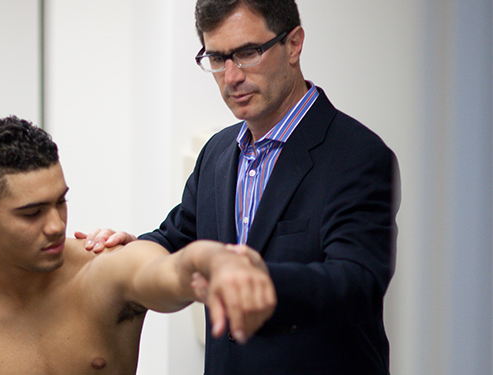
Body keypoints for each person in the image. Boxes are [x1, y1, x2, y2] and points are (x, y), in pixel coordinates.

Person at [79, 0, 400, 374]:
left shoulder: (357, 154)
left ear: (293, 44)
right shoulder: (217, 152)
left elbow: (356, 283)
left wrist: (253, 282)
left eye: (247, 53)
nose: (231, 76)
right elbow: (177, 238)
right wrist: (129, 253)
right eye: (217, 58)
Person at [0, 116, 276, 375]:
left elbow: (165, 273)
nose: (56, 225)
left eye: (61, 201)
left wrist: (210, 257)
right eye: (32, 213)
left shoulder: (103, 269)